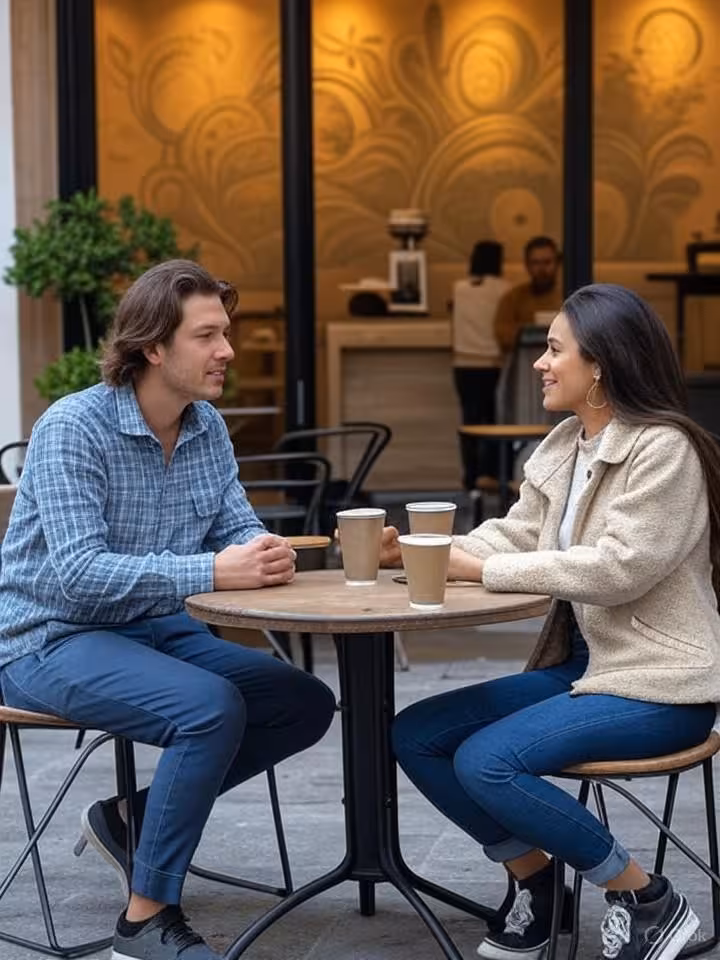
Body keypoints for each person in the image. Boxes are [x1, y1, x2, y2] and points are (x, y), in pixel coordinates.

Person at [0, 260, 336, 960]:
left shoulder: (205, 427)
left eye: (226, 332)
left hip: (152, 629)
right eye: (208, 336)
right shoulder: (73, 428)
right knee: (207, 706)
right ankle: (143, 922)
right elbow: (79, 576)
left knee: (303, 701)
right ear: (154, 346)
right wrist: (216, 569)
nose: (228, 351)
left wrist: (262, 552)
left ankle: (133, 821)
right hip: (47, 637)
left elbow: (234, 529)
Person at [381, 283, 720, 960]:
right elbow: (517, 534)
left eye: (554, 348)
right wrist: (435, 554)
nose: (540, 361)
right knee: (416, 733)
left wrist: (479, 572)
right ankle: (538, 883)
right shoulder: (567, 443)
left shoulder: (664, 450)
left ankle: (648, 899)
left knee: (489, 761)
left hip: (666, 683)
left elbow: (618, 567)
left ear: (600, 364)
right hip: (590, 670)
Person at [452, 240, 511, 491]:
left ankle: (470, 476)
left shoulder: (459, 288)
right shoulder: (504, 289)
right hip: (492, 362)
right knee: (492, 421)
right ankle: (490, 474)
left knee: (469, 420)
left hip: (462, 362)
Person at [494, 236, 563, 356]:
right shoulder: (513, 298)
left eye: (547, 262)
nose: (542, 269)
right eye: (535, 263)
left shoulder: (569, 297)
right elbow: (503, 335)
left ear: (557, 264)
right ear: (527, 265)